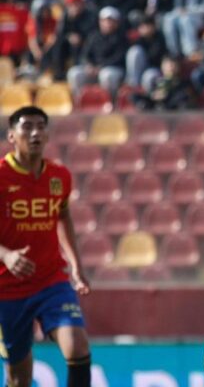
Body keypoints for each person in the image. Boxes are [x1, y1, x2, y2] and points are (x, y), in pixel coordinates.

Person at [0, 107, 92, 387]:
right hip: (6, 289)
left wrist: (75, 265)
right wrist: (6, 255)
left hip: (51, 281)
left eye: (41, 126)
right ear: (11, 135)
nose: (35, 133)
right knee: (19, 377)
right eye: (27, 127)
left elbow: (63, 216)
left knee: (77, 344)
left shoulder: (59, 176)